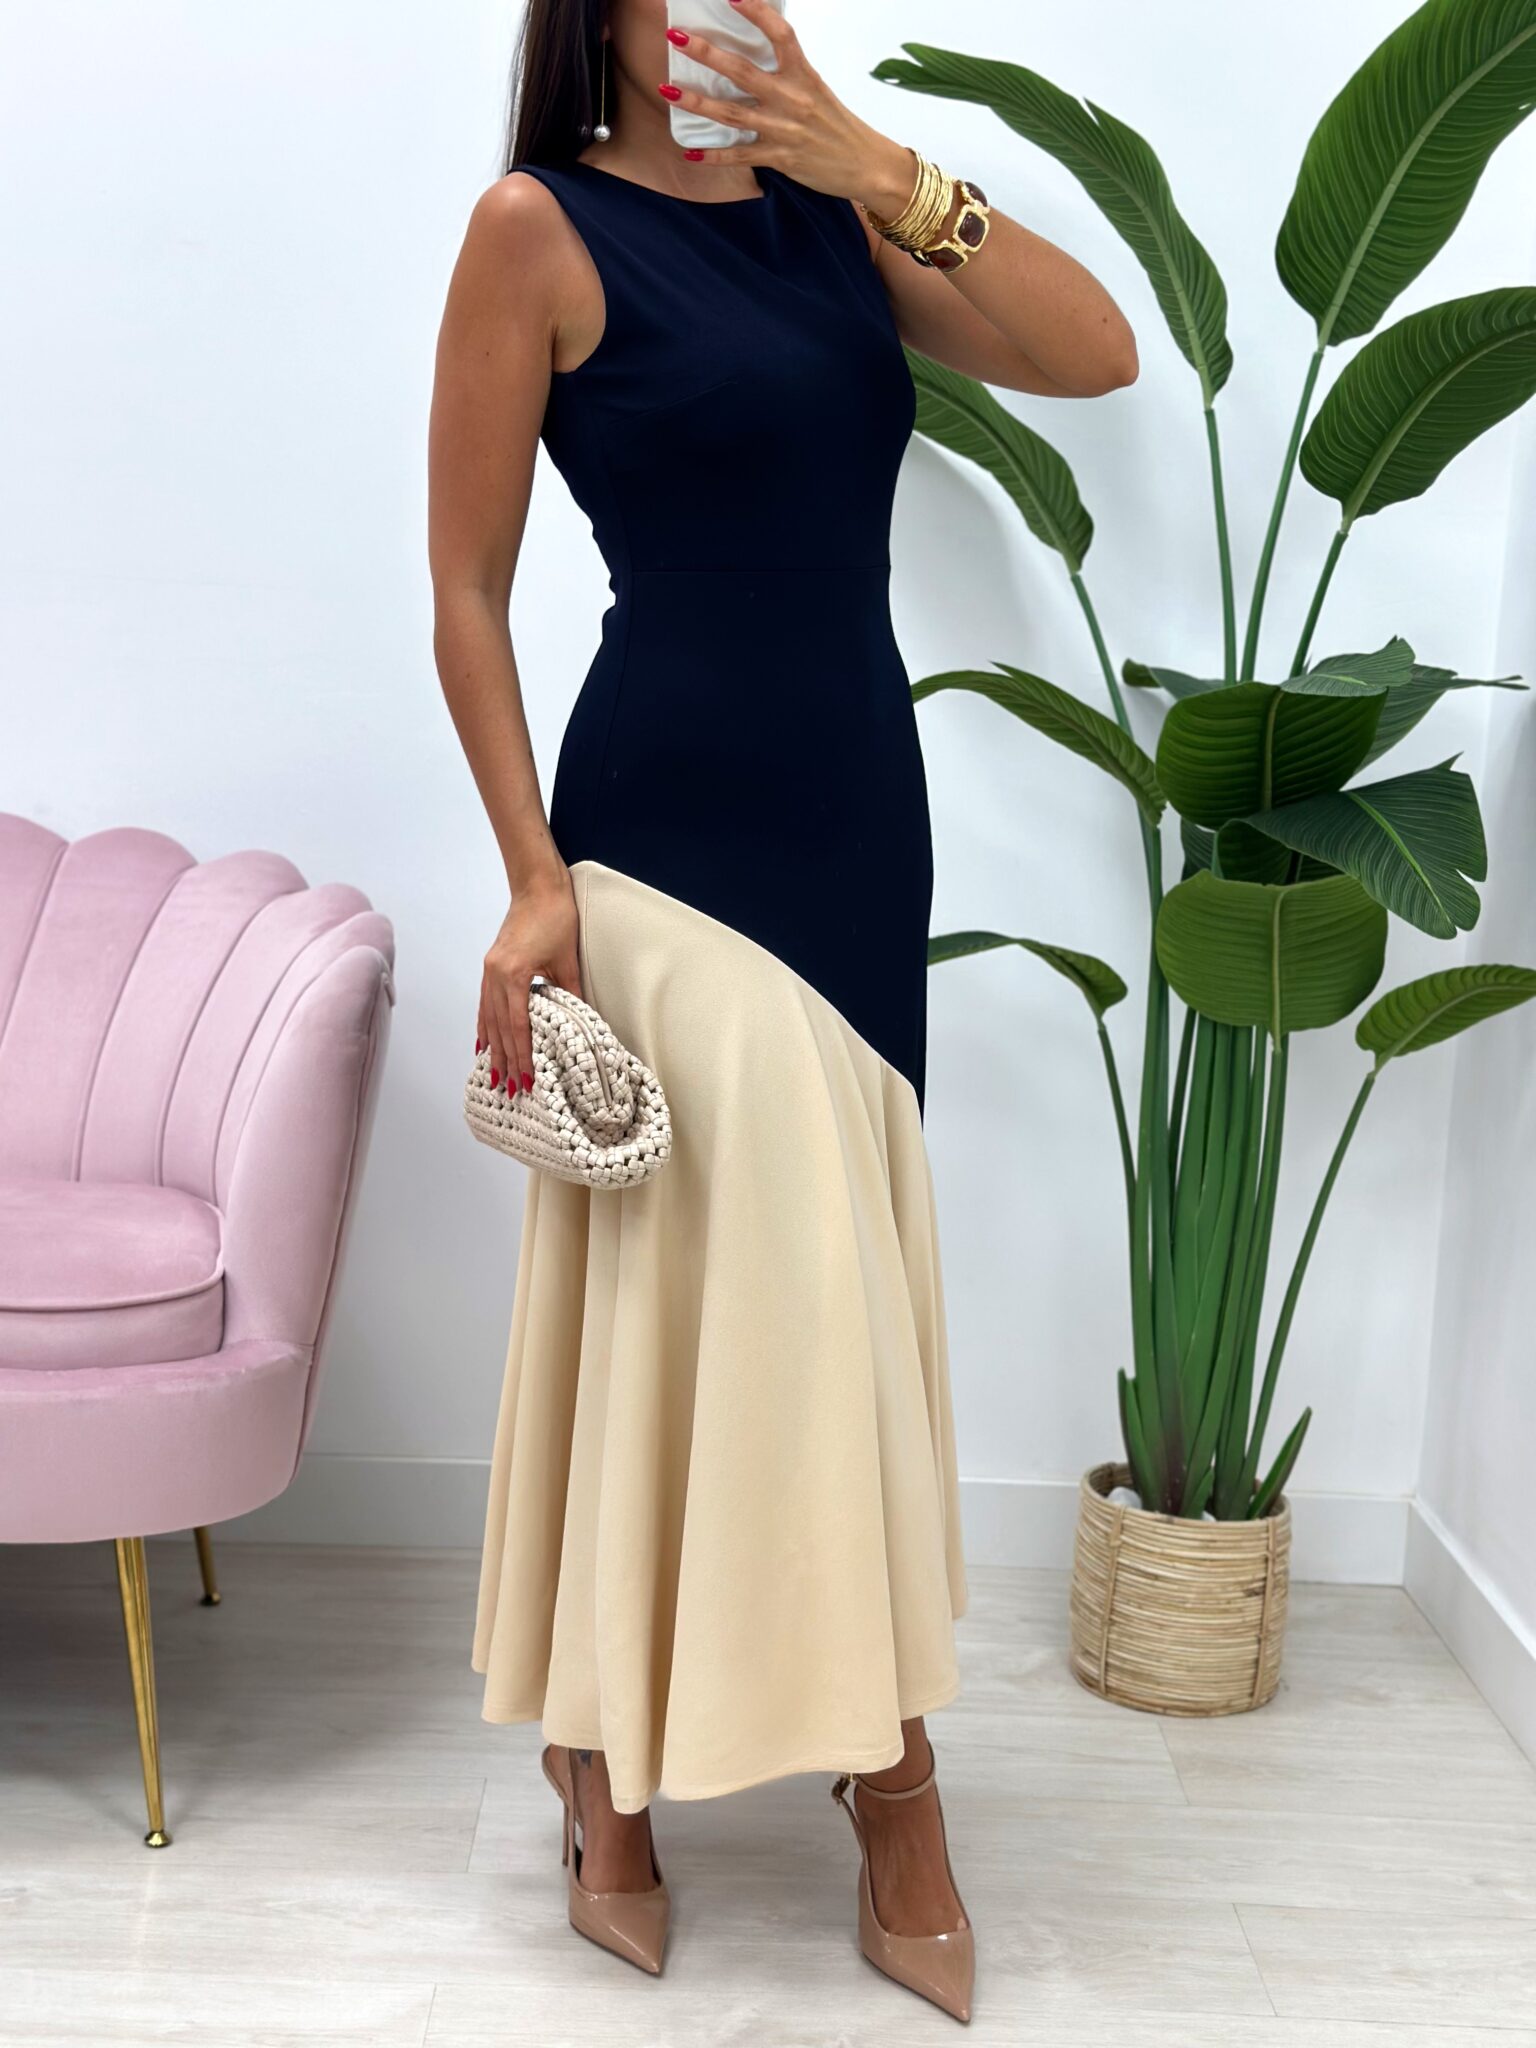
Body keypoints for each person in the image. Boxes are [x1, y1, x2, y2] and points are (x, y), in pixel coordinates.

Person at [427, 0, 1136, 2021]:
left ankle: (863, 1767)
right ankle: (659, 1768)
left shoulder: (842, 218)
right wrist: (533, 876)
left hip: (853, 829)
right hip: (660, 838)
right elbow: (466, 586)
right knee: (697, 1308)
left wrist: (883, 166)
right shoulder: (538, 229)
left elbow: (1095, 351)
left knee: (839, 1305)